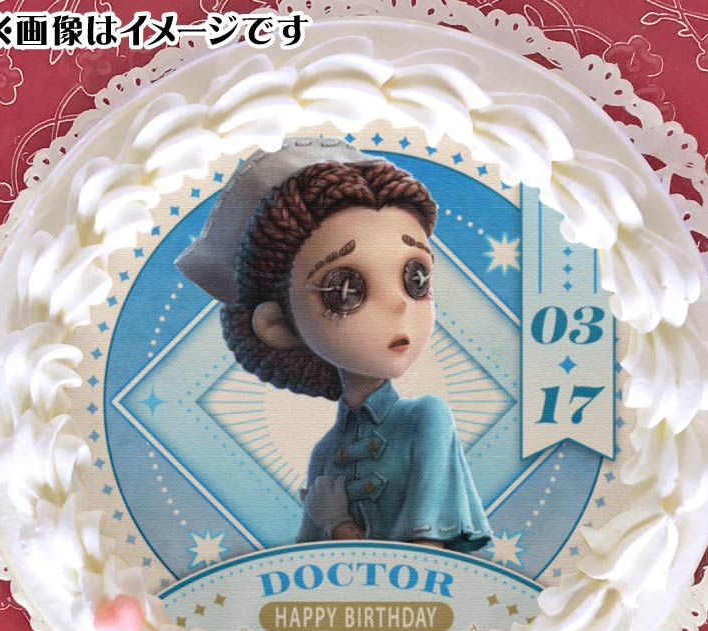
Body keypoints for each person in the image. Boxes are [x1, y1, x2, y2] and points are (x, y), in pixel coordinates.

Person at [176, 137, 490, 553]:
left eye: (416, 278)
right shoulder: (326, 451)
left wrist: (337, 523)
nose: (399, 304)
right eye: (345, 289)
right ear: (277, 325)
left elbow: (425, 563)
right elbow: (308, 565)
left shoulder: (426, 419)